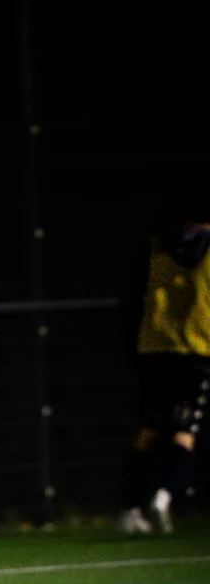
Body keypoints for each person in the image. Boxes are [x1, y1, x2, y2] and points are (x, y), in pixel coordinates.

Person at [119, 177, 210, 534]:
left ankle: (129, 511)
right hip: (196, 347)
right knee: (185, 431)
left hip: (155, 346)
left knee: (147, 429)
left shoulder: (159, 243)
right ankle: (162, 497)